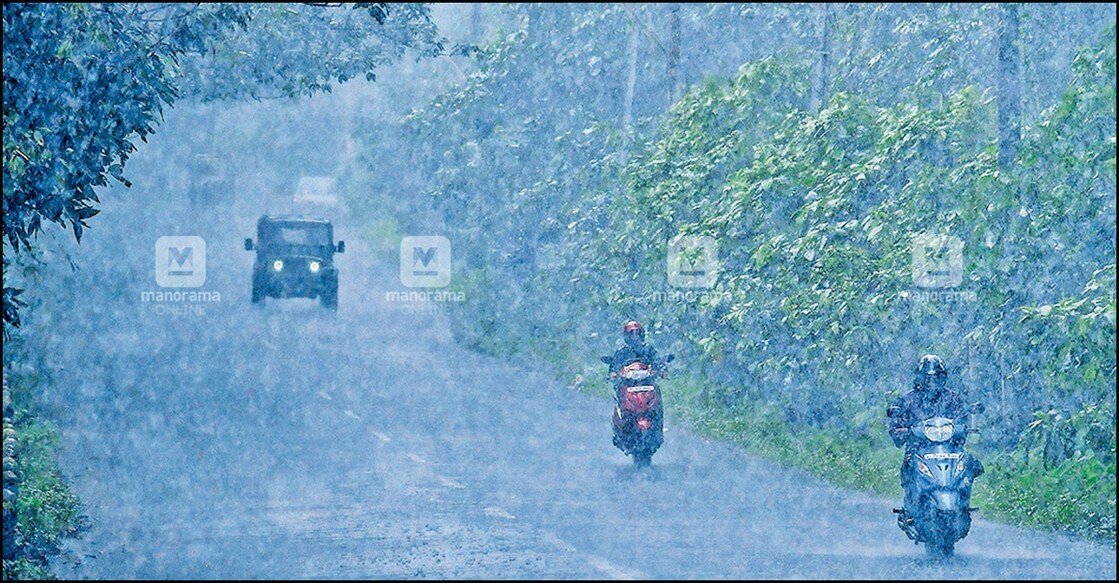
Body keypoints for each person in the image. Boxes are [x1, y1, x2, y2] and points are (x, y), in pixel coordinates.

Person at [888, 354, 982, 529]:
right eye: (928, 378)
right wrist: (905, 431)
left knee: (971, 463)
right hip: (919, 449)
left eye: (937, 377)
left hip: (949, 450)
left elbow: (962, 419)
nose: (932, 382)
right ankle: (911, 508)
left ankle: (963, 503)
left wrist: (963, 426)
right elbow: (896, 425)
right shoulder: (908, 400)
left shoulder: (952, 398)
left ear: (943, 378)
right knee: (909, 466)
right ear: (920, 378)